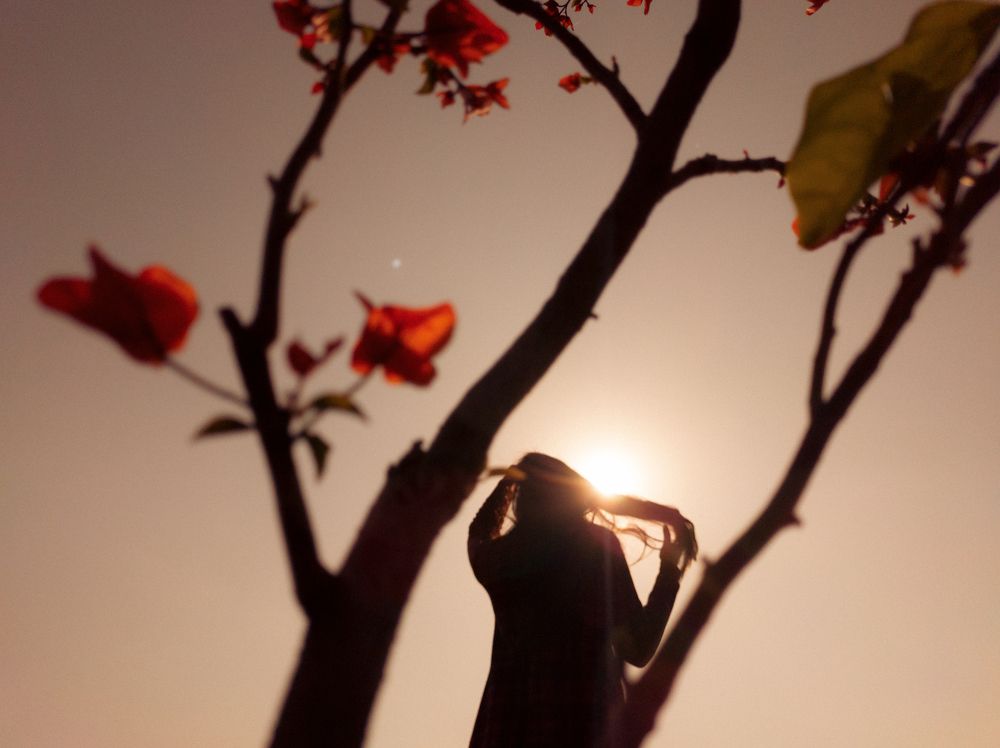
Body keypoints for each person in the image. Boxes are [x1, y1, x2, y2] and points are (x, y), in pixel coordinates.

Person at [467, 452, 697, 748]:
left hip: (507, 729)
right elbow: (637, 648)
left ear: (520, 498)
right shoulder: (591, 547)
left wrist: (509, 480)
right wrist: (669, 573)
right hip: (581, 724)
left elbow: (479, 530)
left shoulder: (497, 560)